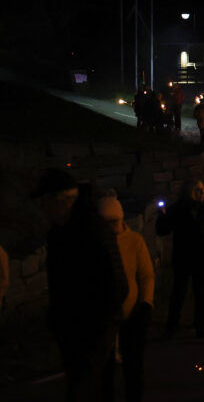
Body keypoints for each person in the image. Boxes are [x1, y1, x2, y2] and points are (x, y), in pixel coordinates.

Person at [39, 171, 129, 401]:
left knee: (84, 388)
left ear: (60, 201)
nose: (42, 209)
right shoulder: (59, 232)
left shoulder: (93, 229)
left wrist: (98, 322)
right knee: (86, 386)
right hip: (71, 326)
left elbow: (117, 282)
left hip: (94, 327)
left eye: (45, 202)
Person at [97, 196, 154, 402]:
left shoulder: (134, 241)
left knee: (133, 365)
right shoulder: (97, 245)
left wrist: (145, 303)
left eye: (114, 222)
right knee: (104, 369)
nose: (110, 227)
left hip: (133, 312)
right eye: (106, 223)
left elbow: (146, 275)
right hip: (105, 314)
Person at [157, 180, 204, 338]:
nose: (202, 193)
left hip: (202, 258)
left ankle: (200, 325)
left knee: (201, 293)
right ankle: (172, 327)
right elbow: (162, 230)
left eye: (202, 189)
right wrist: (162, 216)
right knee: (178, 293)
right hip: (183, 257)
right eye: (198, 190)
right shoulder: (177, 209)